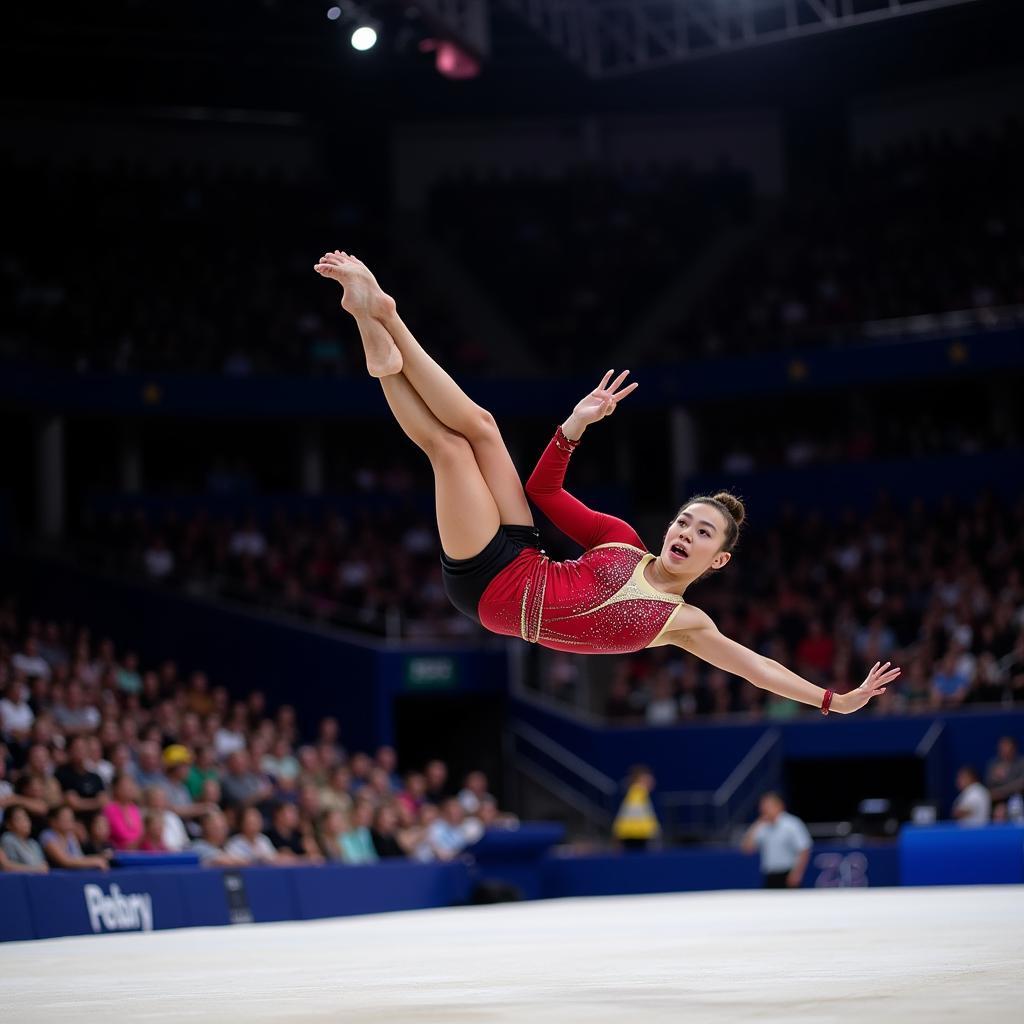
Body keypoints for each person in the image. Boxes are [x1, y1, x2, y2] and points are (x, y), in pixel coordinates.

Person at [314, 252, 899, 716]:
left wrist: (831, 699)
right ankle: (383, 319)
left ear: (717, 560)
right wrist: (575, 425)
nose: (685, 533)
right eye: (685, 521)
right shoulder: (620, 539)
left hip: (490, 590)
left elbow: (755, 669)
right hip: (526, 557)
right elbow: (544, 495)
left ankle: (380, 349)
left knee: (450, 451)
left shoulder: (685, 623)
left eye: (702, 534)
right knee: (485, 430)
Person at [741, 792, 812, 889]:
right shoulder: (761, 826)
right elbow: (747, 849)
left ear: (779, 806)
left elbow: (804, 849)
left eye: (768, 806)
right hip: (770, 875)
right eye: (762, 807)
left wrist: (796, 873)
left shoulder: (792, 824)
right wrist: (756, 825)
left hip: (788, 874)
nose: (764, 809)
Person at [40, 805, 109, 870]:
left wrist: (98, 857)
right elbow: (65, 862)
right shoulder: (47, 835)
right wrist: (94, 861)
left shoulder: (70, 836)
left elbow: (79, 858)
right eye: (65, 818)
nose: (69, 821)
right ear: (53, 821)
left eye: (71, 818)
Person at [612, 765, 660, 852]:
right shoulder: (637, 793)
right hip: (636, 835)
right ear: (640, 780)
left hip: (635, 835)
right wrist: (654, 831)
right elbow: (629, 815)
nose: (652, 781)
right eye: (648, 779)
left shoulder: (639, 793)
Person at [0, 805, 49, 873]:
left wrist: (40, 868)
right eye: (19, 819)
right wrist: (36, 869)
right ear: (8, 824)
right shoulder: (8, 838)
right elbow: (10, 867)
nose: (25, 822)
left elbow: (44, 866)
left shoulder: (33, 843)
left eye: (26, 818)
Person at [103, 774, 144, 851]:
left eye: (131, 784)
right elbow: (122, 836)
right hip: (117, 853)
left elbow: (140, 833)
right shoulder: (110, 809)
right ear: (115, 788)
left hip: (137, 851)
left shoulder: (134, 808)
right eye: (126, 785)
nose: (130, 788)